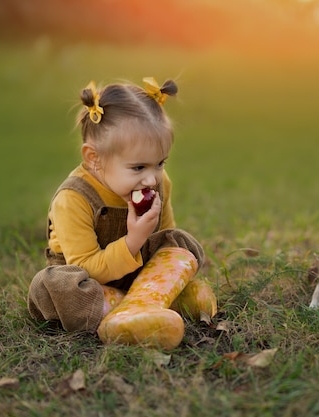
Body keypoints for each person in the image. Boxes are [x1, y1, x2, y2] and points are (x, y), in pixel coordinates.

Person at [27, 77, 217, 350]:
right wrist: (133, 241)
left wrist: (151, 241)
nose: (151, 179)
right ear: (94, 158)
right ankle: (146, 307)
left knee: (180, 241)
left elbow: (164, 245)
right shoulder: (73, 198)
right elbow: (87, 268)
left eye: (160, 164)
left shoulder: (160, 184)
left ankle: (141, 305)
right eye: (138, 168)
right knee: (51, 288)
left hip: (140, 275)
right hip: (92, 283)